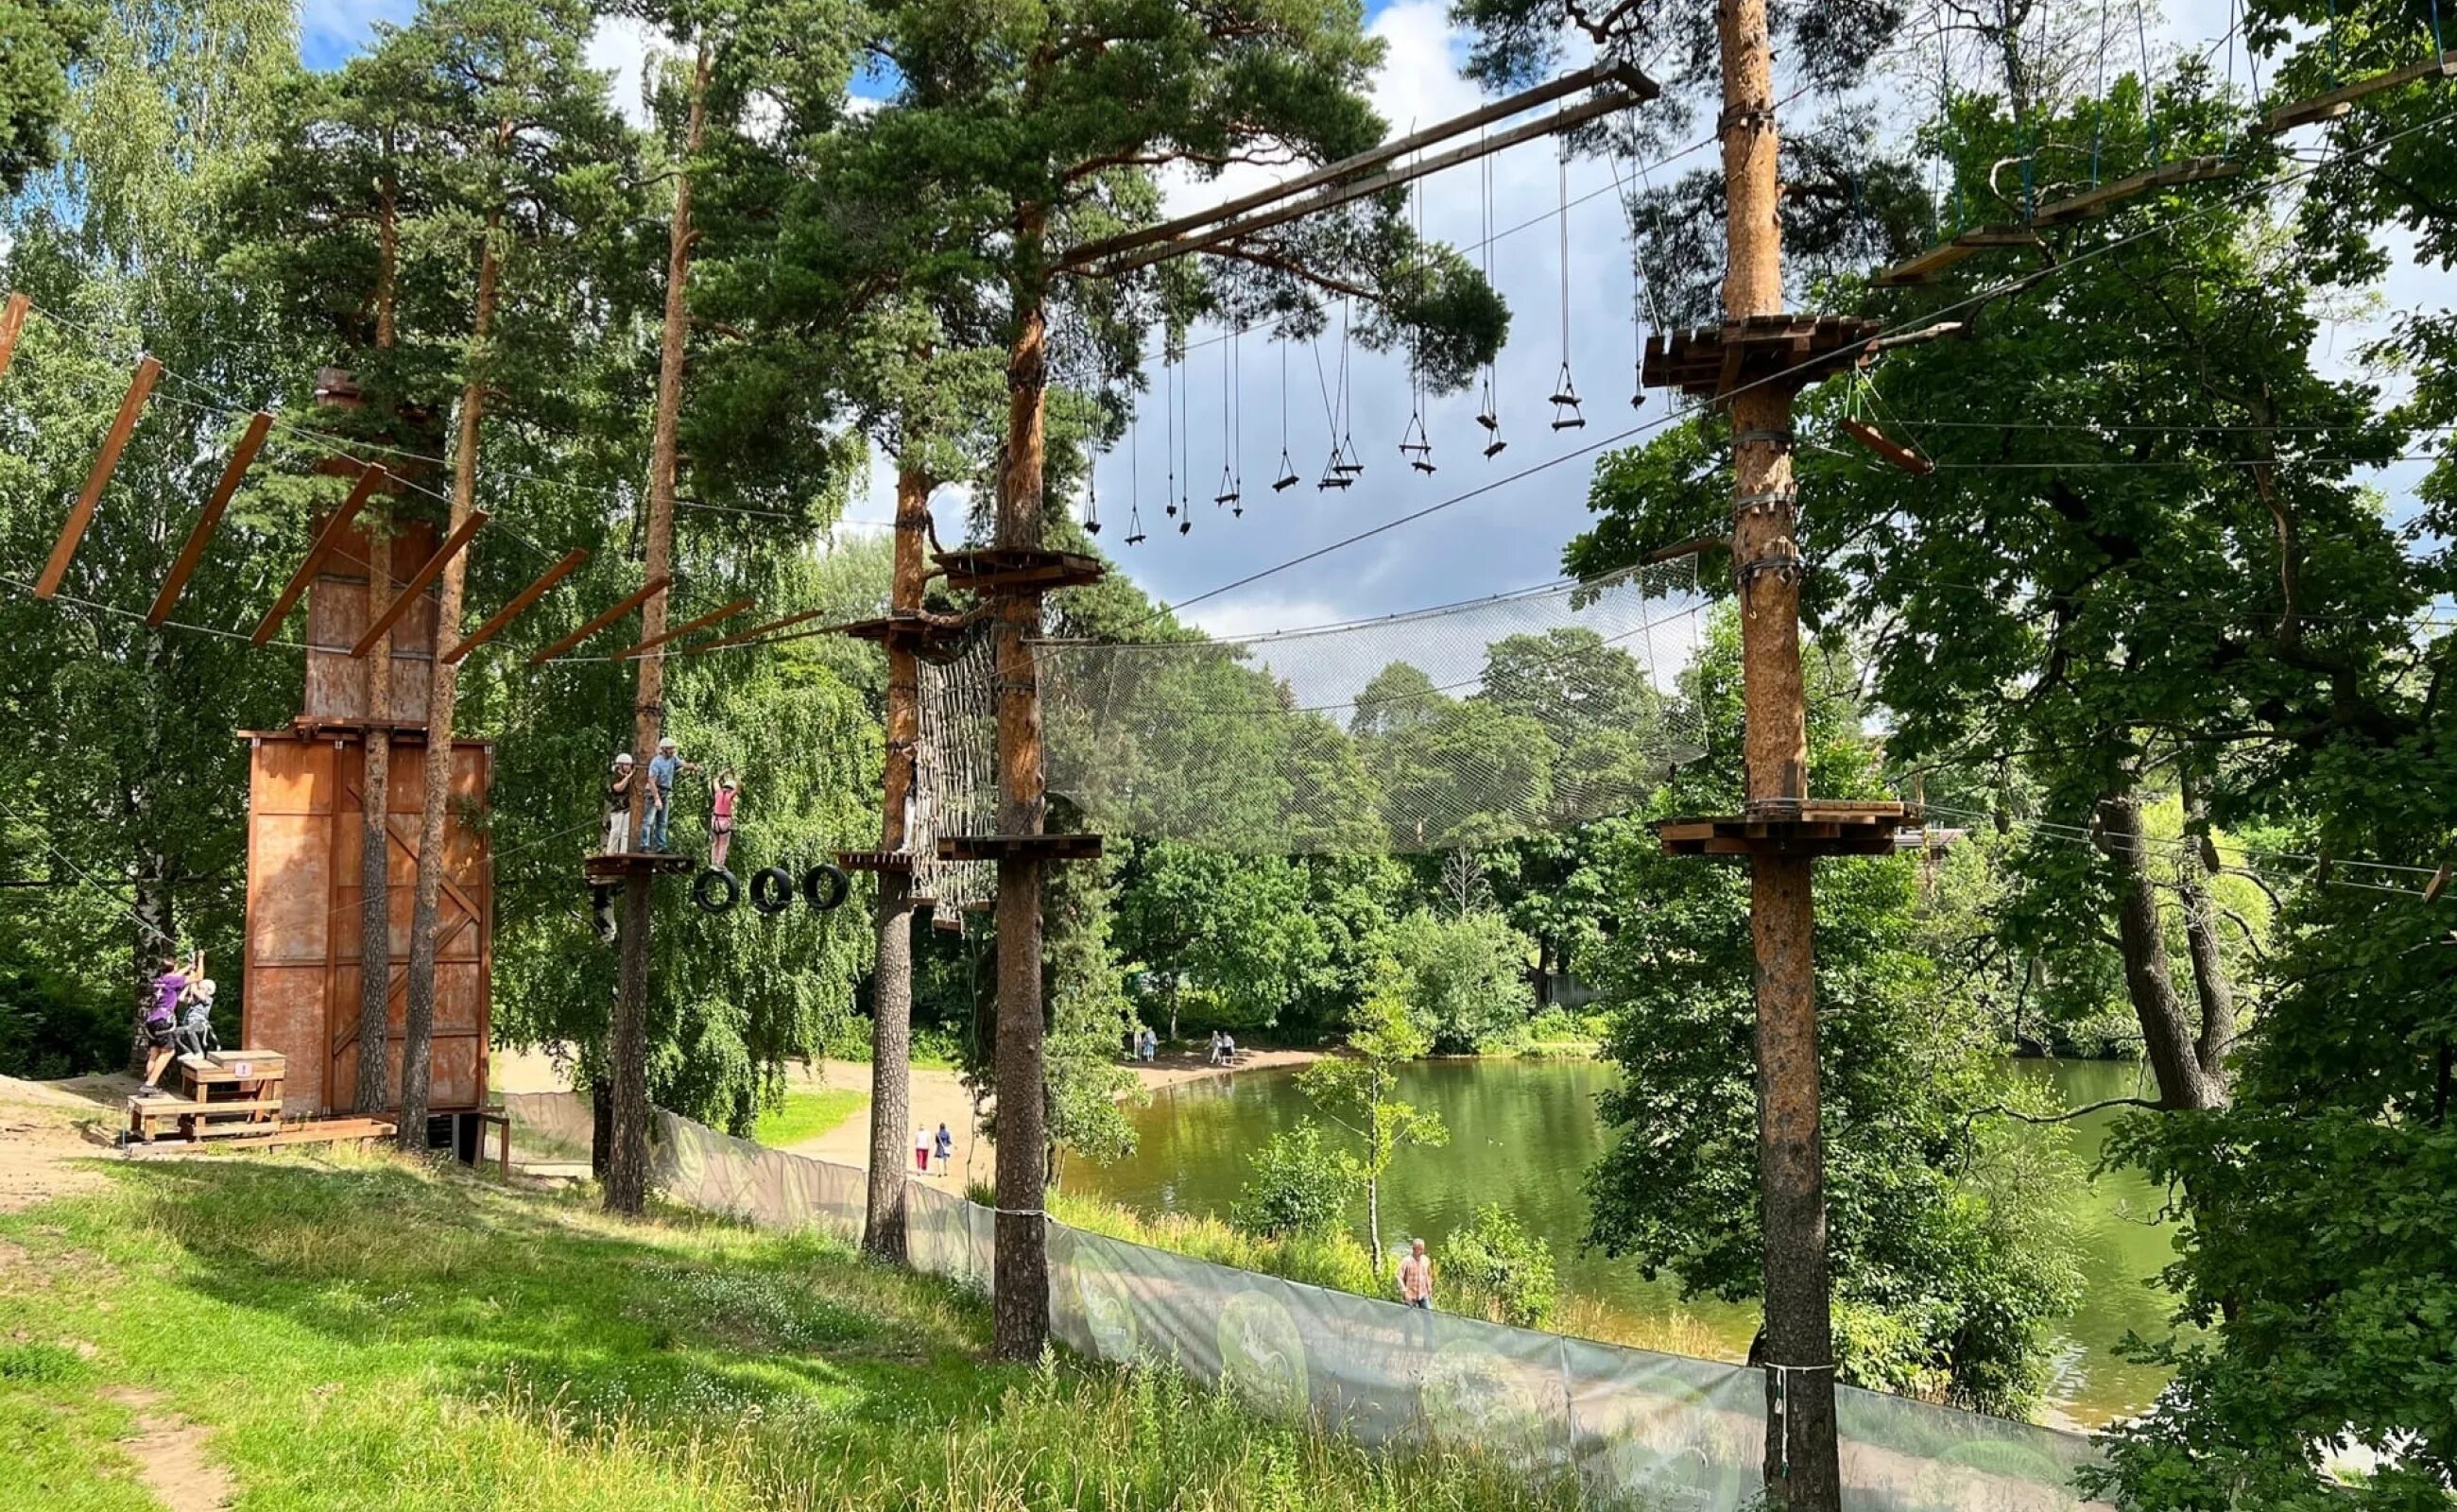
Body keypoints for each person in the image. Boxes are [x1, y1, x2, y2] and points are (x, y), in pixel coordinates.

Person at [140, 949, 199, 1093]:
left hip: (152, 1020)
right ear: (175, 966)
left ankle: (150, 1085)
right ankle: (149, 1084)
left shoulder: (160, 980)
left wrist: (189, 966)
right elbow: (199, 976)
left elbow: (175, 975)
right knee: (168, 1052)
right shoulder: (172, 980)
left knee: (154, 1052)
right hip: (163, 1021)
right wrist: (201, 959)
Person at [643, 737, 699, 852]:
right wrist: (657, 798)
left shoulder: (673, 759)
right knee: (648, 821)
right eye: (670, 749)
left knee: (662, 822)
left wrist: (692, 767)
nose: (673, 751)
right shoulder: (656, 762)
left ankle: (661, 846)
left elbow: (683, 764)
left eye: (673, 749)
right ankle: (644, 845)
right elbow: (651, 780)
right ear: (663, 749)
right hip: (654, 792)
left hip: (665, 792)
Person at [171, 977, 219, 1060]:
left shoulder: (207, 999)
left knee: (190, 1030)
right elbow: (180, 998)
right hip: (190, 1024)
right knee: (175, 1032)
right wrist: (188, 986)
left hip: (200, 1023)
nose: (199, 990)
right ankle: (188, 1051)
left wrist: (193, 979)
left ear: (208, 991)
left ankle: (198, 1052)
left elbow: (196, 991)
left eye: (201, 988)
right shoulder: (194, 1001)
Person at [602, 752, 636, 854]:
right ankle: (611, 852)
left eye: (629, 765)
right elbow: (618, 788)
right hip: (617, 809)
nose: (628, 767)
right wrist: (628, 777)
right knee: (616, 831)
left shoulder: (630, 777)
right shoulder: (614, 777)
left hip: (627, 808)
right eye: (625, 765)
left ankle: (623, 852)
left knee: (625, 832)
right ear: (620, 765)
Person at [708, 771, 739, 870]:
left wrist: (724, 772)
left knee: (715, 843)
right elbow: (738, 787)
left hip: (714, 822)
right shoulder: (730, 796)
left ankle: (713, 863)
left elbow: (715, 780)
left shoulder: (718, 793)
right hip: (724, 823)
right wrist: (736, 774)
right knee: (723, 844)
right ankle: (720, 865)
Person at [1399, 1238, 1435, 1311]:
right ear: (1414, 1249)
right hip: (1410, 1295)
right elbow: (1399, 1276)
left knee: (1428, 1314)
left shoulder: (1426, 1260)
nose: (1422, 1251)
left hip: (1423, 1294)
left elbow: (1428, 1275)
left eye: (1423, 1249)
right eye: (1420, 1249)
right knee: (1412, 1317)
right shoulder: (1406, 1261)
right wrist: (1404, 1290)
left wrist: (1429, 1289)